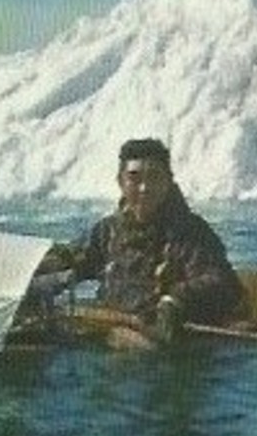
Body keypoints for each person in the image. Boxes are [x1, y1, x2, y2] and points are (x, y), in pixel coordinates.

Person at [37, 138, 245, 345]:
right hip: (110, 339)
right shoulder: (108, 231)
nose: (144, 188)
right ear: (120, 182)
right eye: (134, 178)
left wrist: (176, 301)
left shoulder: (190, 232)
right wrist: (40, 265)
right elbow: (73, 258)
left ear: (168, 182)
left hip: (165, 350)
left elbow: (222, 282)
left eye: (154, 177)